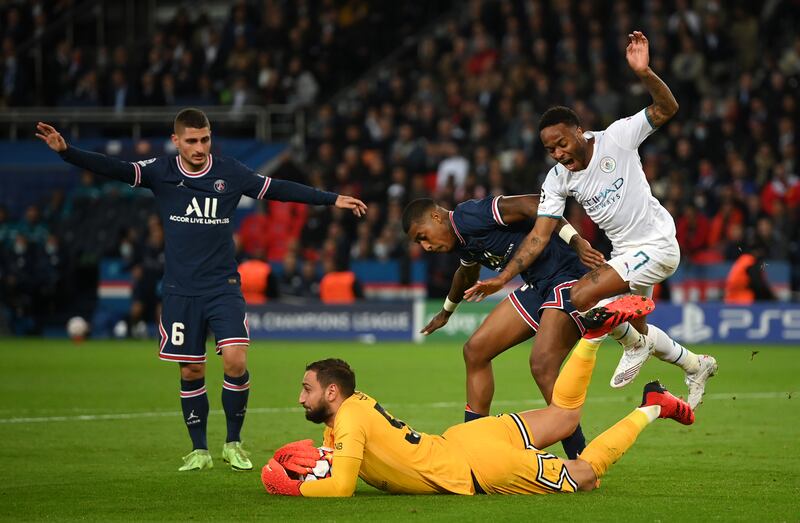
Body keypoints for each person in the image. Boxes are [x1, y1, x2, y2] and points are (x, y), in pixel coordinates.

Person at [36, 109, 367, 472]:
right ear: (176, 140)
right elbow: (114, 168)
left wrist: (330, 198)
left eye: (205, 139)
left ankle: (234, 443)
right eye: (191, 140)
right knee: (191, 371)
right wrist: (67, 151)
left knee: (235, 360)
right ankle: (199, 449)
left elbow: (278, 189)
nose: (199, 147)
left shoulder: (230, 172)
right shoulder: (160, 171)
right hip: (180, 291)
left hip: (222, 286)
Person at [462, 31, 716, 409]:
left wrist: (644, 72)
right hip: (624, 254)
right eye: (550, 149)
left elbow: (667, 109)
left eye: (562, 143)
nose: (559, 153)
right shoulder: (558, 179)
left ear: (579, 131)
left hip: (658, 244)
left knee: (581, 296)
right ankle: (694, 364)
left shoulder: (617, 138)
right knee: (633, 324)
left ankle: (633, 344)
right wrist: (502, 278)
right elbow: (538, 236)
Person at [260, 295, 695, 497]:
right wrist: (313, 465)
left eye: (307, 389)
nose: (300, 398)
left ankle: (650, 407)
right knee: (564, 416)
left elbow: (341, 488)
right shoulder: (352, 410)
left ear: (331, 392)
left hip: (482, 468)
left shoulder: (349, 422)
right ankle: (594, 338)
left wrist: (297, 490)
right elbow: (337, 458)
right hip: (465, 440)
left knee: (586, 474)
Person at [403, 195, 644, 459]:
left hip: (570, 278)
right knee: (476, 350)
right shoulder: (460, 241)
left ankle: (580, 457)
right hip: (537, 284)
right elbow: (467, 274)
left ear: (436, 217)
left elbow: (534, 204)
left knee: (542, 365)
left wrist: (576, 241)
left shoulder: (470, 215)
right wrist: (446, 311)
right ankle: (472, 448)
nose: (425, 246)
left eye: (422, 236)